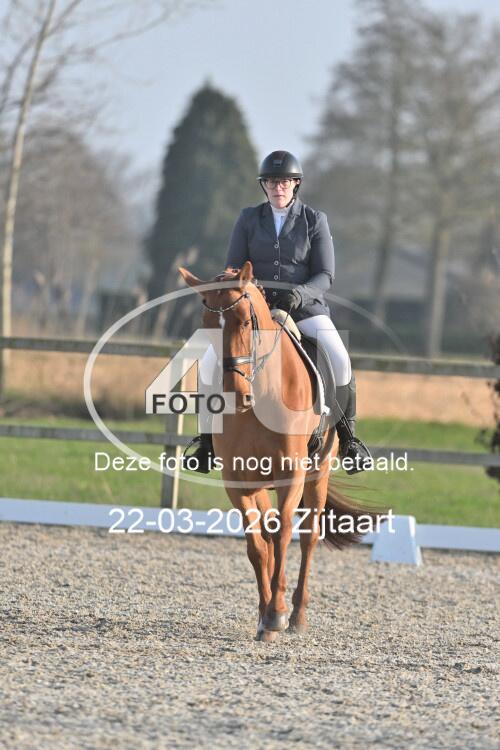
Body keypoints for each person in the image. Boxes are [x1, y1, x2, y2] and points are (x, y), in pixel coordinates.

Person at [185, 150, 371, 474]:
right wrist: (234, 285)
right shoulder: (248, 219)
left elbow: (325, 274)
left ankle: (348, 440)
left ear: (295, 184)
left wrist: (299, 295)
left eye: (284, 182)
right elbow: (233, 267)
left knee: (339, 358)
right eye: (271, 182)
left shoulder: (314, 220)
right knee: (211, 361)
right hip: (254, 313)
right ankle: (206, 442)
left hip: (305, 310)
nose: (277, 187)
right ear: (264, 186)